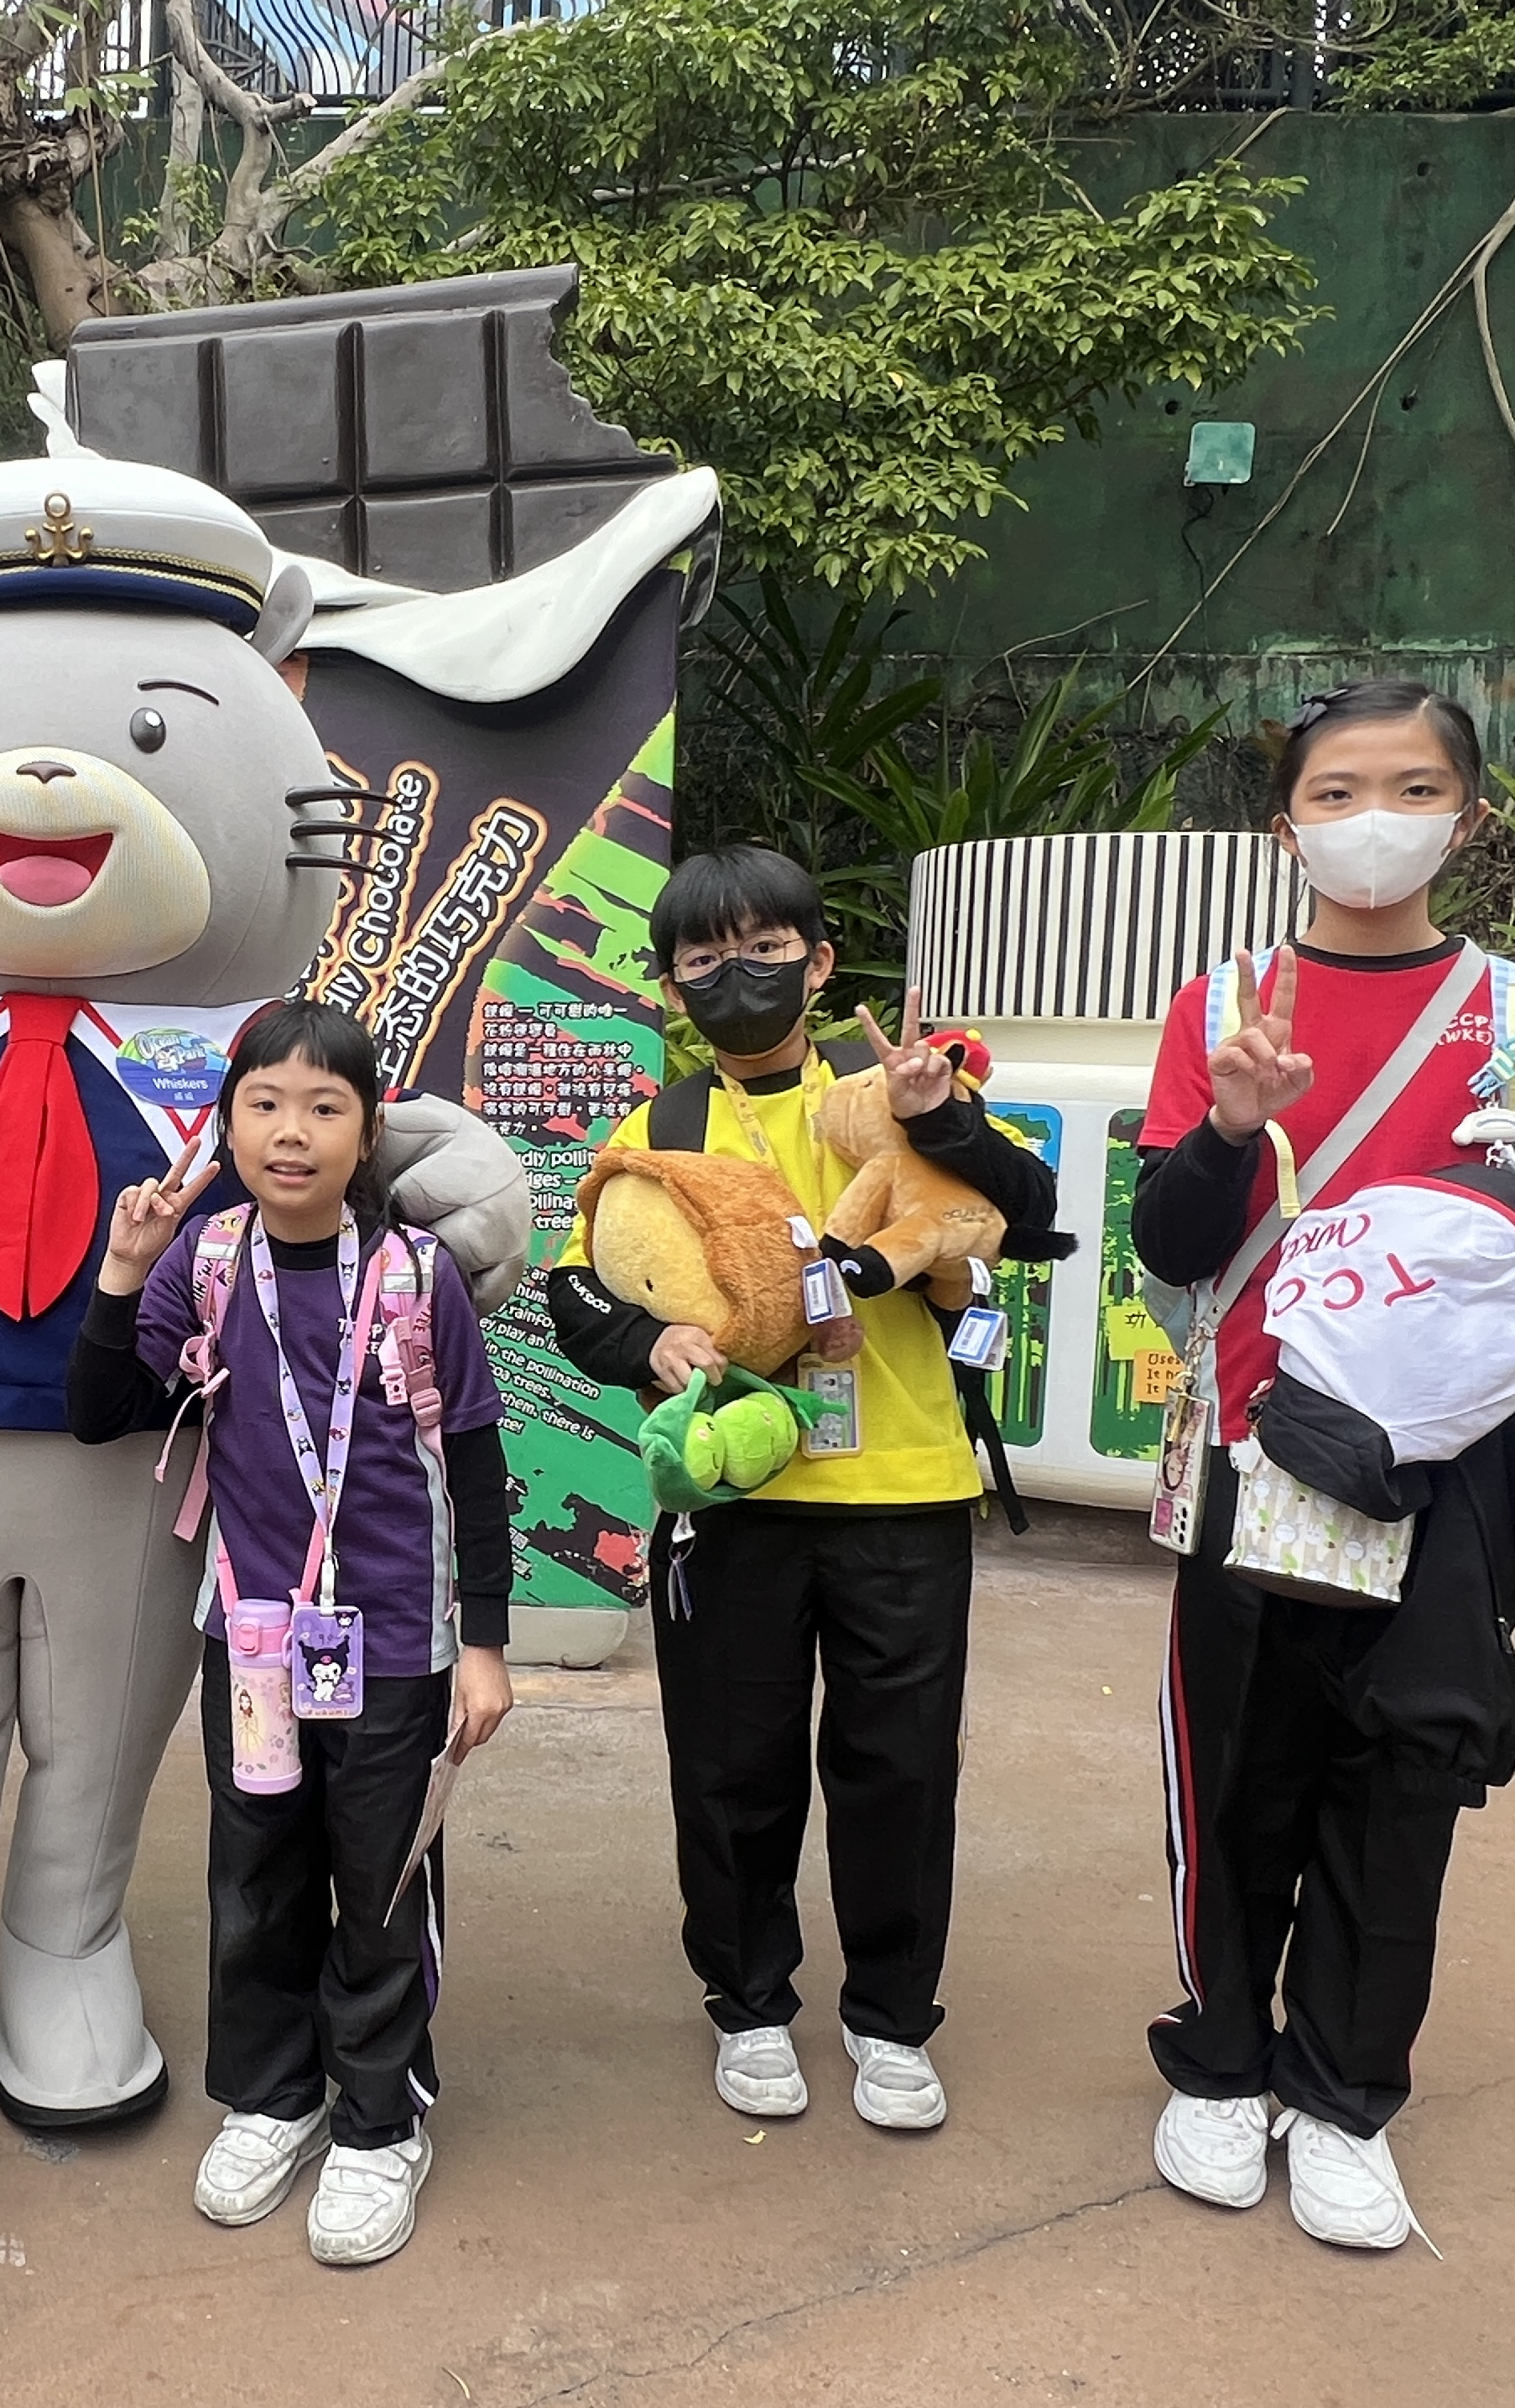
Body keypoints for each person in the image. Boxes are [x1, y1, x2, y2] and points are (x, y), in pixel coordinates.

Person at [1132, 678, 1515, 2252]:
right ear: (1286, 826)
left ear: (1469, 818)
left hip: (1452, 1478)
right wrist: (1231, 1131)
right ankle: (1221, 2065)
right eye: (1339, 793)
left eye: (1415, 790)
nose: (1376, 821)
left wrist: (1457, 1290)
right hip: (1258, 1451)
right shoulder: (1223, 1007)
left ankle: (1346, 2095)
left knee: (1405, 1780)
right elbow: (1169, 1244)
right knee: (1239, 1770)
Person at [545, 845, 1065, 2132]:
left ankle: (890, 2016)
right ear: (671, 985)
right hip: (733, 1501)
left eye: (767, 950)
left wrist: (943, 1119)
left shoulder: (893, 1091)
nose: (739, 977)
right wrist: (647, 1341)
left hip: (903, 1492)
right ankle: (749, 2003)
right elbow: (575, 1287)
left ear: (820, 962)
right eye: (705, 959)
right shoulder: (659, 1129)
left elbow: (1030, 1211)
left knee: (901, 1770)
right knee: (733, 1768)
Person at [65, 1001, 515, 2269]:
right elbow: (100, 1411)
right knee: (257, 1870)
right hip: (255, 1640)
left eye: (325, 1107)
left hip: (401, 1643)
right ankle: (274, 2097)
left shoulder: (417, 1275)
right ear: (228, 1126)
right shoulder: (206, 1260)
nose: (292, 1132)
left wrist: (485, 1642)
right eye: (264, 1104)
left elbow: (475, 1462)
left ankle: (380, 2123)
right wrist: (122, 1270)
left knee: (382, 1881)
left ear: (367, 1133)